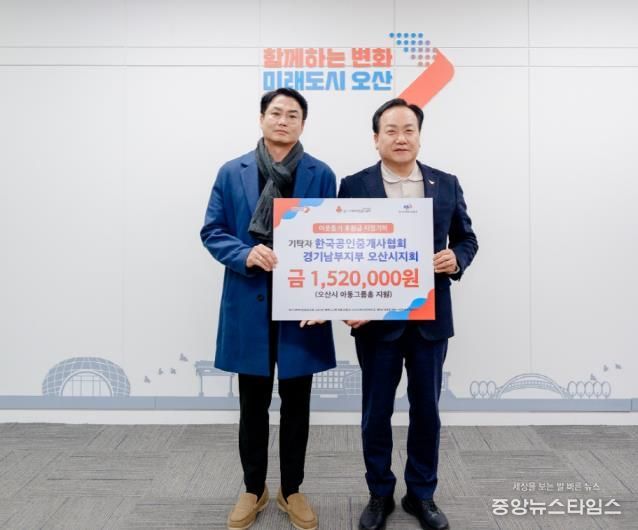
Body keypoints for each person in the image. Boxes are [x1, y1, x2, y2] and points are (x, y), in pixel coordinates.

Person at [338, 98, 478, 530]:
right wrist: (347, 302)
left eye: (409, 129)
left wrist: (456, 258)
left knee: (427, 412)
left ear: (419, 135)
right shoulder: (354, 185)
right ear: (376, 138)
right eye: (391, 130)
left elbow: (467, 239)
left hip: (430, 320)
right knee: (375, 413)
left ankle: (421, 494)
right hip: (376, 321)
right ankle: (379, 493)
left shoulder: (445, 183)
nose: (401, 138)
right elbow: (341, 251)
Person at [200, 88, 336, 530]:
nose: (283, 120)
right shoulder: (231, 171)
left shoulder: (321, 173)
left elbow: (333, 240)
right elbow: (212, 231)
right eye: (276, 113)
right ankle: (253, 488)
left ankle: (291, 489)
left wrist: (327, 297)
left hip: (302, 305)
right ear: (261, 119)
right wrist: (246, 253)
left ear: (303, 124)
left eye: (293, 115)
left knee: (298, 405)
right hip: (249, 302)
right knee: (252, 404)